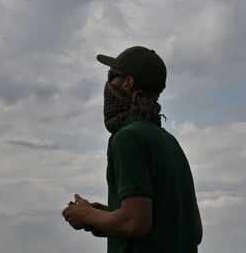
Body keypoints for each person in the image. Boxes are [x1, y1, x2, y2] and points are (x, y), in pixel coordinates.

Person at [61, 46, 202, 251]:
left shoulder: (127, 138)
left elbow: (135, 224)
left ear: (128, 83)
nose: (107, 84)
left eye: (111, 76)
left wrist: (86, 215)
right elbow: (193, 231)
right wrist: (105, 216)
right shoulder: (172, 143)